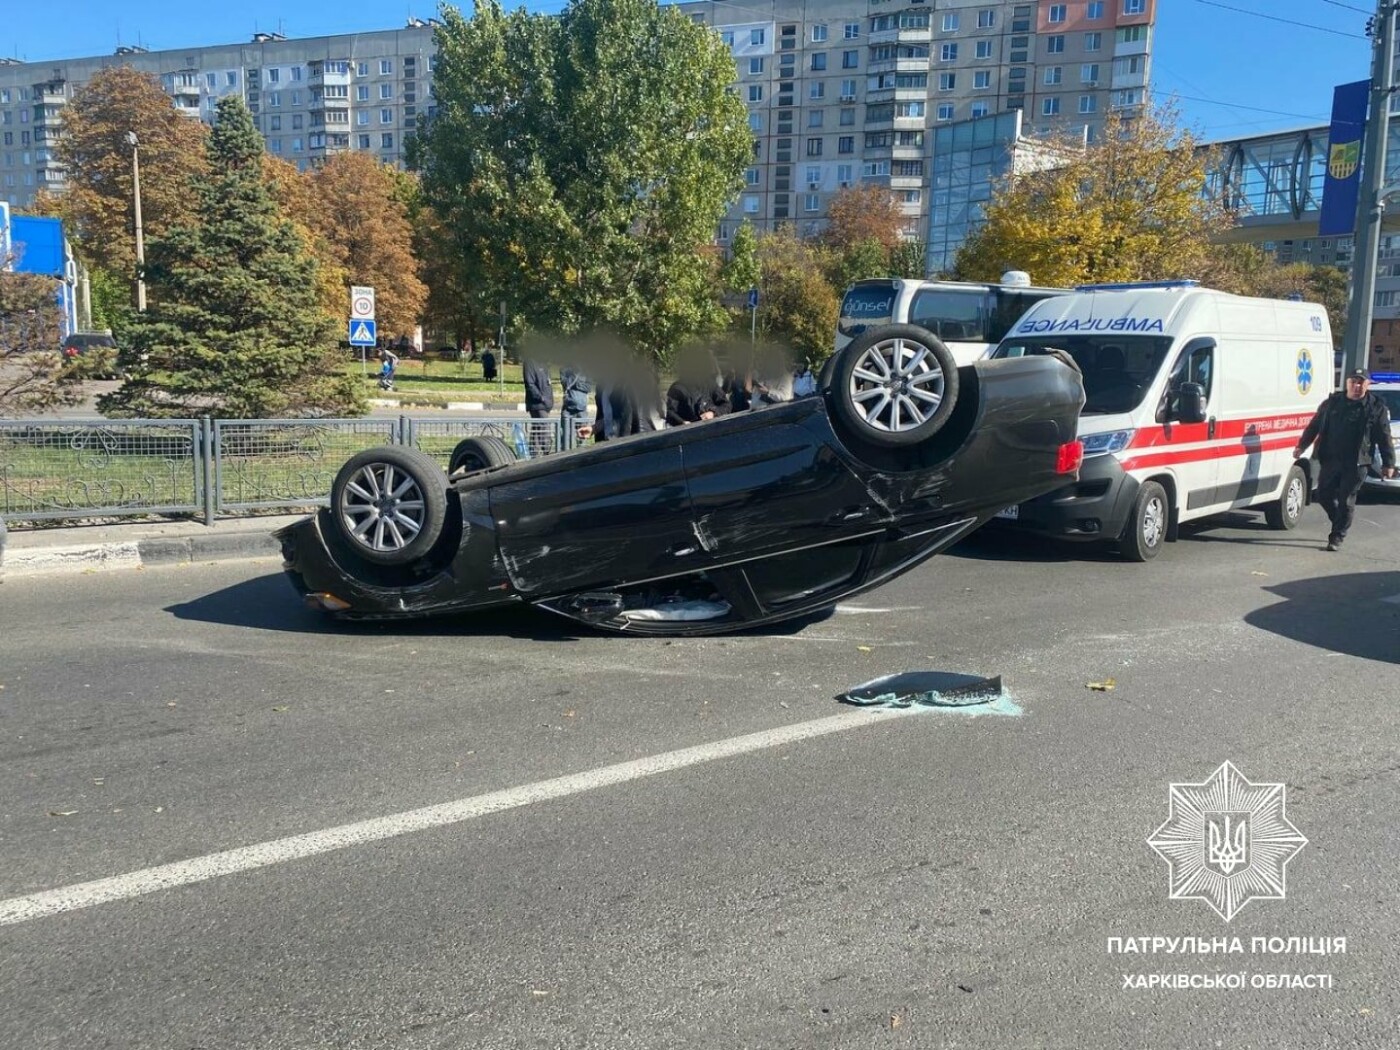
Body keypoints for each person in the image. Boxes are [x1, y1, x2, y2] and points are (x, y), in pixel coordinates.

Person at [1293, 368, 1396, 550]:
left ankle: (1337, 536)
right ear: (1347, 383)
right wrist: (1302, 445)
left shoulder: (1375, 407)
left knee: (1346, 499)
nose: (1357, 386)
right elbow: (1315, 425)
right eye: (1353, 382)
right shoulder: (1332, 403)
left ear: (1367, 385)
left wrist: (1389, 463)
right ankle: (1339, 521)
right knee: (1323, 495)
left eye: (1361, 382)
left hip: (1357, 462)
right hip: (1331, 458)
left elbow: (1384, 436)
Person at [523, 357, 556, 457]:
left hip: (545, 404)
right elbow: (530, 384)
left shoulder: (544, 362)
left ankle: (535, 454)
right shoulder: (530, 362)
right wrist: (541, 398)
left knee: (537, 430)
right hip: (537, 404)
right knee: (543, 429)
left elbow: (547, 383)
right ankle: (546, 453)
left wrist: (549, 401)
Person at [560, 365, 593, 449]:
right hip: (568, 409)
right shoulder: (565, 368)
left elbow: (589, 387)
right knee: (566, 437)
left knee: (582, 437)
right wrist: (574, 374)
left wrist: (577, 384)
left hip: (582, 409)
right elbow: (565, 383)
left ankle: (581, 454)